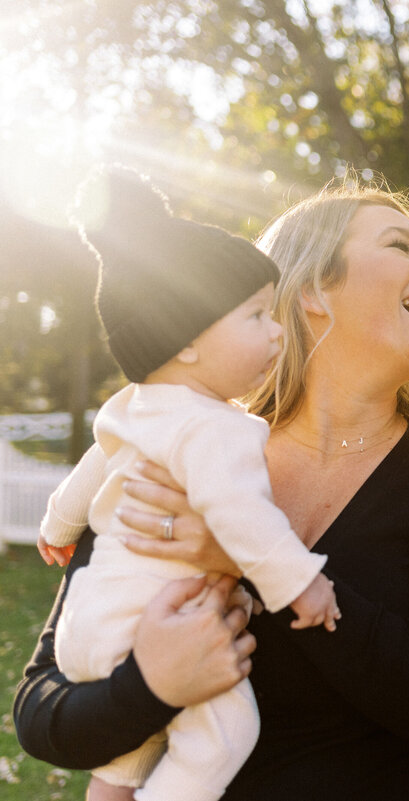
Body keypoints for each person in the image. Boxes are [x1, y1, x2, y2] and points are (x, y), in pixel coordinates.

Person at [14, 174, 409, 800]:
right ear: (311, 290)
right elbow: (41, 714)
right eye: (399, 246)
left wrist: (241, 563)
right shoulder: (183, 443)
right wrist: (147, 689)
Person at [34, 166, 340, 801]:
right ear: (189, 342)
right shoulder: (215, 429)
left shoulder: (133, 407)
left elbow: (88, 475)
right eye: (257, 315)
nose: (278, 330)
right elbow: (243, 517)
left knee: (128, 755)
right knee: (226, 736)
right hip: (153, 623)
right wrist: (299, 582)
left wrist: (57, 529)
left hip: (93, 622)